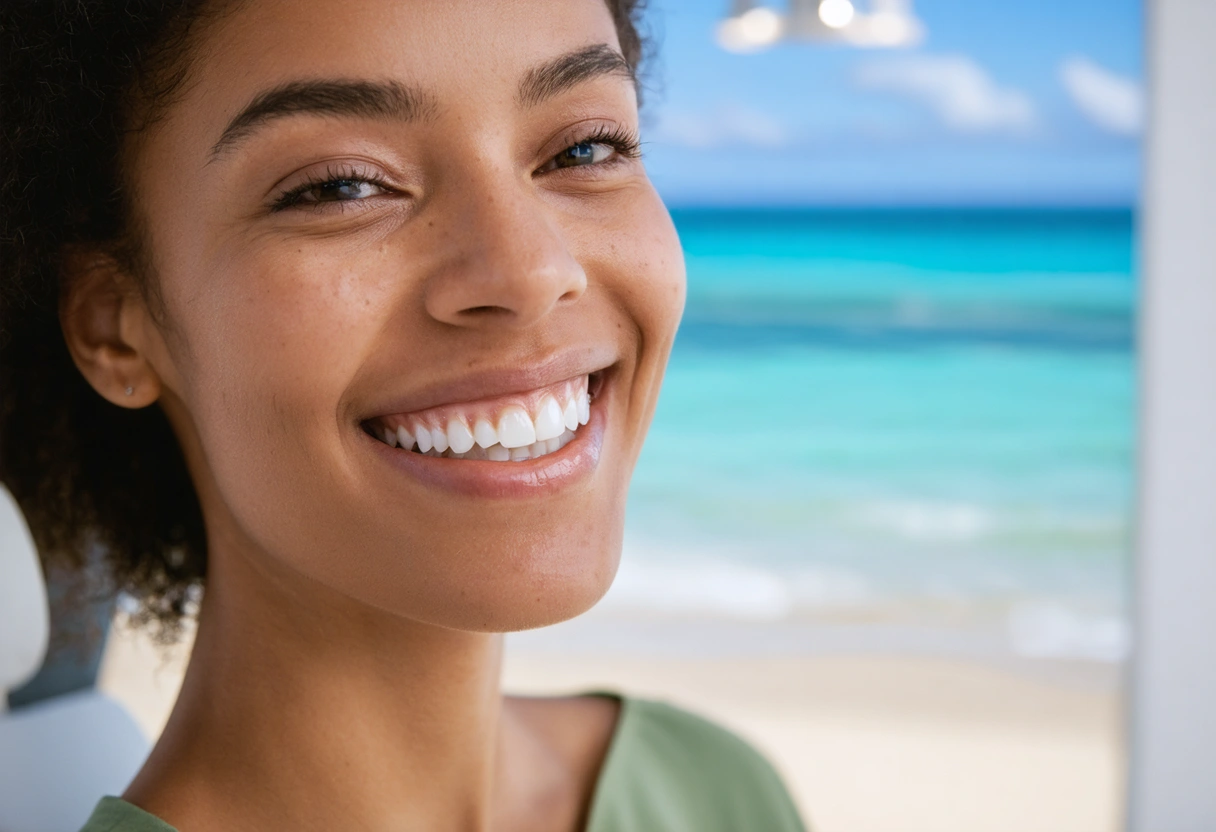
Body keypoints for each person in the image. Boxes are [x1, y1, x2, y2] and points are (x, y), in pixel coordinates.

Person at [0, 1, 808, 829]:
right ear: (114, 327)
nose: (531, 272)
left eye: (585, 148)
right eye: (342, 185)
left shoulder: (715, 793)